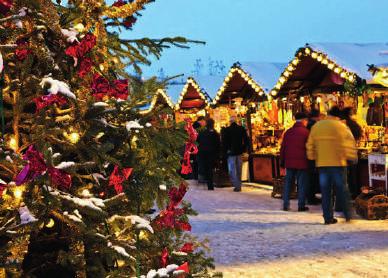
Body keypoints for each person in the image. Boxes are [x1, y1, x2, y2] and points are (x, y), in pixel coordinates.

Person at [306, 106, 357, 225]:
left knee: (325, 192)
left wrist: (312, 157)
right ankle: (347, 214)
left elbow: (310, 145)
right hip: (339, 163)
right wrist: (351, 157)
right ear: (337, 115)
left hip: (322, 164)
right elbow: (349, 143)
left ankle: (328, 217)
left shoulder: (317, 126)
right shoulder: (341, 126)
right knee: (342, 189)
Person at [280, 112, 310, 212]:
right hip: (302, 162)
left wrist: (282, 163)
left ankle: (285, 204)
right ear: (304, 120)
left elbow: (283, 148)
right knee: (301, 184)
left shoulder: (288, 132)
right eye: (306, 121)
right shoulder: (306, 132)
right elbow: (309, 148)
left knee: (288, 183)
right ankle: (301, 205)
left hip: (289, 163)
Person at [339, 107, 363, 199]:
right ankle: (354, 193)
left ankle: (347, 194)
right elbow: (358, 135)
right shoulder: (353, 125)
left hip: (342, 155)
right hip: (351, 153)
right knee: (353, 175)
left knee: (345, 177)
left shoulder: (340, 125)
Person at [222, 116, 249, 192]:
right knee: (239, 169)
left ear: (230, 121)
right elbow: (246, 140)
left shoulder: (227, 130)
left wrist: (225, 151)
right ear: (236, 121)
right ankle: (238, 185)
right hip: (239, 152)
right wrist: (244, 149)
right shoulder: (241, 129)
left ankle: (236, 185)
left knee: (232, 170)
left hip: (231, 153)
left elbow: (224, 142)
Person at [197, 118, 220, 190]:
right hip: (212, 154)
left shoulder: (202, 133)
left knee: (207, 168)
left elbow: (198, 142)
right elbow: (218, 144)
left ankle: (208, 181)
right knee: (210, 168)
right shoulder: (215, 134)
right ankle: (210, 183)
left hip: (203, 153)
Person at [306, 108, 322, 205]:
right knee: (312, 177)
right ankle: (311, 198)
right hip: (313, 155)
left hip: (310, 154)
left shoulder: (308, 124)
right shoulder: (314, 125)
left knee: (311, 177)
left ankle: (311, 196)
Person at [191, 116, 206, 181]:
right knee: (198, 162)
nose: (205, 123)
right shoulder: (198, 127)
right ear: (202, 120)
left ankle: (195, 176)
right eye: (204, 122)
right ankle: (198, 176)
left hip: (193, 146)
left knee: (195, 162)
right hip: (197, 147)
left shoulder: (193, 125)